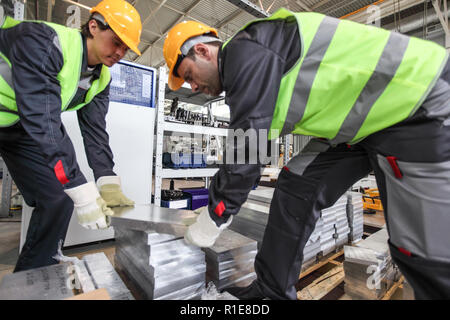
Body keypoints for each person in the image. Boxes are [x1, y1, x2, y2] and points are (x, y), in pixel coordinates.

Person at [163, 8, 450, 300]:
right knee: (296, 183)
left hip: (413, 102)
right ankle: (272, 290)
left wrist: (216, 214)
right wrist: (221, 196)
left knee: (419, 249)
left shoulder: (245, 50)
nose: (194, 87)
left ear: (202, 51)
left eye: (188, 76)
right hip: (360, 125)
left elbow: (249, 145)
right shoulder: (253, 63)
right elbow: (248, 147)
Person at [0, 0, 140, 272]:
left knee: (57, 198)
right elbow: (44, 120)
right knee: (71, 188)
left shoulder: (101, 79)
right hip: (27, 119)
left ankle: (35, 276)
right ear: (93, 26)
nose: (120, 52)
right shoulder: (45, 42)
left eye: (126, 48)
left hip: (18, 126)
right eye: (116, 42)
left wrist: (107, 181)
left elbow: (95, 134)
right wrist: (81, 189)